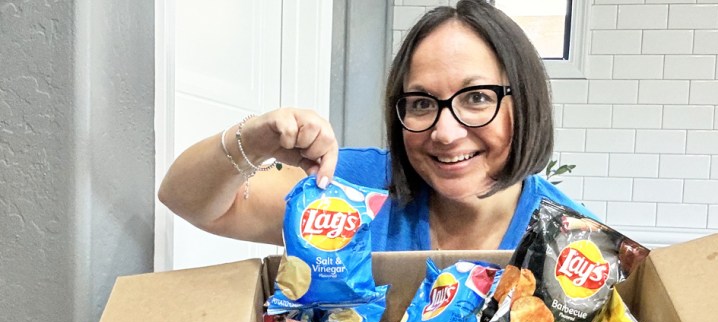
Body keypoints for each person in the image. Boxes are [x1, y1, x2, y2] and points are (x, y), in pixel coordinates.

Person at [158, 0, 592, 252]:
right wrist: (253, 139)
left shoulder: (572, 245)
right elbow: (189, 201)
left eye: (477, 97)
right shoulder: (354, 189)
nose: (444, 132)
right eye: (421, 103)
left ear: (527, 102)